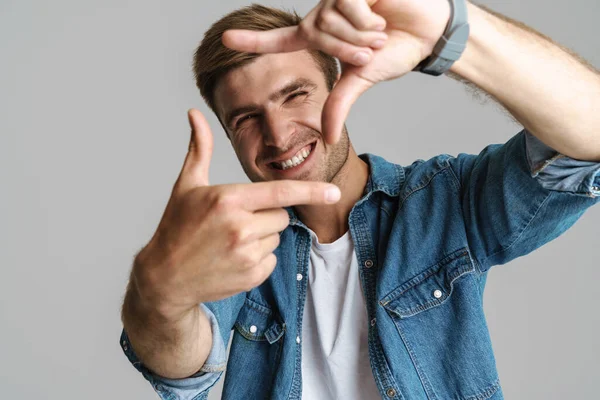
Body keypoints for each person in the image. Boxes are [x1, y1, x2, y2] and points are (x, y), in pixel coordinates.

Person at [119, 0, 600, 399]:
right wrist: (159, 294)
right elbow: (182, 369)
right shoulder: (236, 243)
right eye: (246, 119)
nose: (278, 134)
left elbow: (589, 139)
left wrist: (451, 36)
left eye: (295, 95)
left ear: (337, 87)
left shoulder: (441, 201)